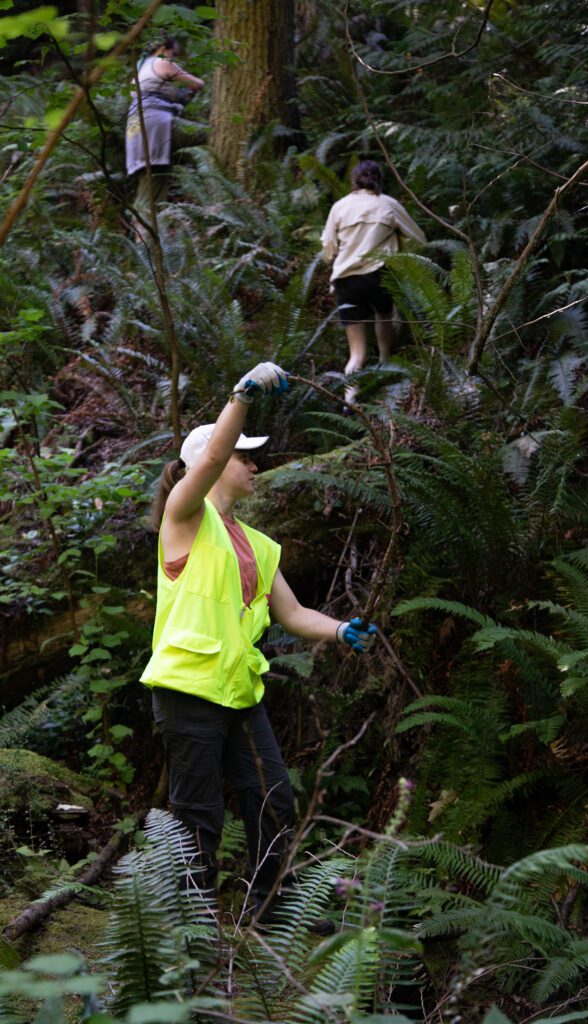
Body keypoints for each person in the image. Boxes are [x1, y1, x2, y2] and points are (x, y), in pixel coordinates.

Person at [140, 361, 377, 925]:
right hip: (188, 690)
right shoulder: (184, 517)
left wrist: (342, 630)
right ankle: (193, 934)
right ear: (206, 464)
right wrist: (241, 394)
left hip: (240, 693)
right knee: (199, 817)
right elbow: (216, 455)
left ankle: (270, 909)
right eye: (245, 455)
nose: (253, 464)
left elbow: (293, 615)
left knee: (273, 796)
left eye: (253, 456)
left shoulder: (259, 545)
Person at [321, 159, 426, 404]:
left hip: (347, 280)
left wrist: (333, 260)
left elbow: (328, 246)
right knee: (384, 315)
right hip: (380, 274)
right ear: (379, 179)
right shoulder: (388, 204)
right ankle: (385, 368)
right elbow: (419, 239)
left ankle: (350, 403)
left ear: (353, 180)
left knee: (356, 353)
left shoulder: (340, 206)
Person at [125, 35, 207, 240]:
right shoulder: (161, 62)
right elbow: (197, 83)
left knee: (150, 179)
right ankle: (145, 241)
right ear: (163, 48)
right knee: (210, 134)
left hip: (135, 126)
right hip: (155, 122)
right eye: (173, 53)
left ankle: (141, 239)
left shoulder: (140, 69)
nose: (173, 57)